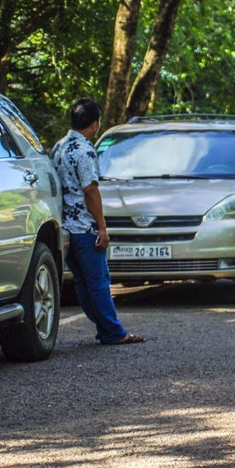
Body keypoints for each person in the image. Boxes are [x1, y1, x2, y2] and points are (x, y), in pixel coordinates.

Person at [52, 98, 145, 345]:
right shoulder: (85, 150)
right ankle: (112, 331)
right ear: (95, 124)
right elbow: (91, 189)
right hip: (84, 226)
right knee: (99, 282)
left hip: (65, 226)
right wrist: (102, 227)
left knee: (83, 282)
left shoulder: (58, 147)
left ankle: (104, 327)